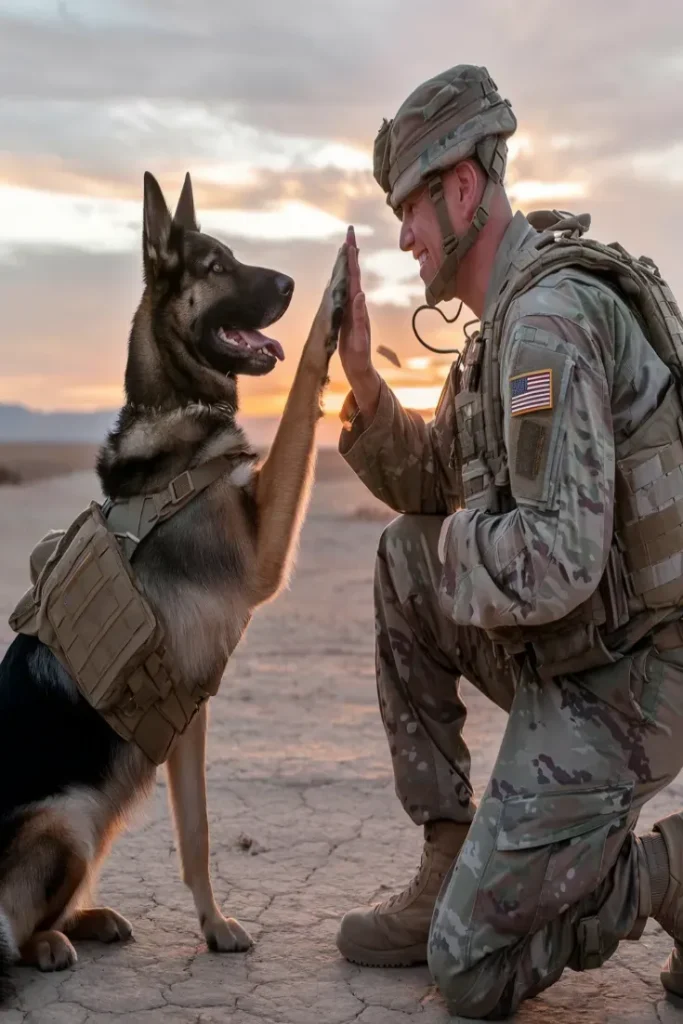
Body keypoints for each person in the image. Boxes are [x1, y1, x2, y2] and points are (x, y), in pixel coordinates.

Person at [334, 63, 683, 1020]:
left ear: (461, 186)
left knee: (474, 969)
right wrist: (364, 379)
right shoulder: (497, 335)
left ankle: (664, 875)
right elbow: (432, 485)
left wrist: (454, 548)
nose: (402, 234)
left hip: (634, 678)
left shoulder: (544, 324)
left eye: (409, 205)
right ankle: (447, 856)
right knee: (405, 558)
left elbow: (560, 560)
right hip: (576, 647)